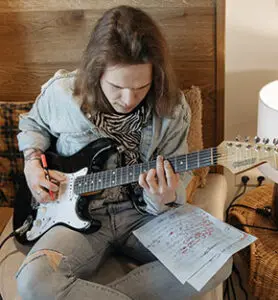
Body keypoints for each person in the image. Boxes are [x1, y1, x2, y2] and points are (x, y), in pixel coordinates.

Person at [16, 5, 232, 300]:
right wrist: (31, 162)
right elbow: (32, 124)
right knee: (32, 283)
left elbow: (179, 176)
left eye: (142, 86)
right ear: (96, 72)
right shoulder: (62, 94)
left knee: (219, 260)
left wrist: (165, 198)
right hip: (75, 219)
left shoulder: (173, 108)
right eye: (117, 86)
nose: (129, 99)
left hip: (144, 215)